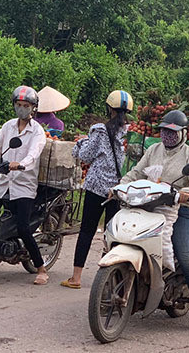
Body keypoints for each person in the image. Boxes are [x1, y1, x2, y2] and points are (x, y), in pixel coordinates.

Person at [119, 110, 189, 333]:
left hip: (180, 210)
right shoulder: (153, 150)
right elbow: (136, 173)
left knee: (186, 258)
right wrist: (119, 186)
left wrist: (186, 193)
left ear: (183, 134)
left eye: (172, 133)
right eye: (164, 131)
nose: (167, 136)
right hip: (149, 205)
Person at [0, 86, 48, 284]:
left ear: (33, 108)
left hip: (24, 185)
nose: (22, 109)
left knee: (23, 229)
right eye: (18, 105)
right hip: (4, 183)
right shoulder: (8, 127)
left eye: (26, 106)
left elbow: (34, 153)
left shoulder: (37, 132)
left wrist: (21, 164)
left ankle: (41, 268)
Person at [61, 90, 132, 290]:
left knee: (87, 231)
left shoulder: (99, 130)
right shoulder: (131, 133)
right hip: (118, 191)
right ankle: (111, 279)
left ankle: (76, 277)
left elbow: (85, 155)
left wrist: (81, 140)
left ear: (109, 108)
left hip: (96, 188)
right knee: (113, 235)